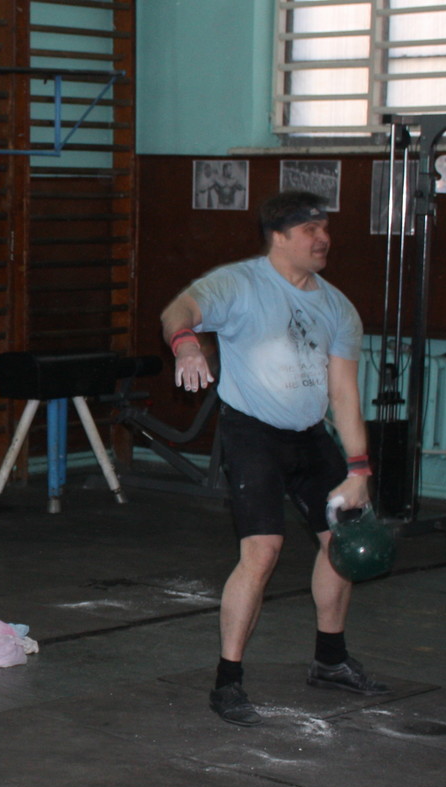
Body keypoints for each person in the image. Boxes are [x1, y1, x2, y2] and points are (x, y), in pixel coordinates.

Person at [160, 191, 388, 727]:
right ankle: (228, 681)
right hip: (252, 433)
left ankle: (330, 660)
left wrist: (359, 470)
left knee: (344, 544)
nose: (322, 238)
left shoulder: (337, 307)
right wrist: (188, 345)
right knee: (262, 552)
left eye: (325, 228)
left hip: (309, 436)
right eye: (310, 230)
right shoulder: (239, 284)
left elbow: (345, 395)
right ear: (279, 237)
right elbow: (179, 310)